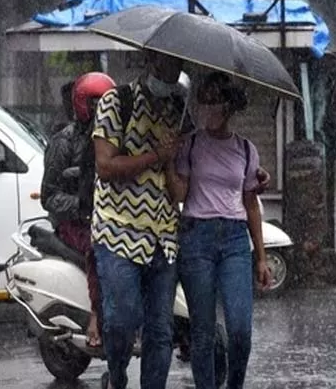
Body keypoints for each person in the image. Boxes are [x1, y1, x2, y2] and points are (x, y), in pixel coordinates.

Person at [91, 52, 272, 389]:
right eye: (166, 64)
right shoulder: (117, 101)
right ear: (150, 61)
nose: (172, 72)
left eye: (178, 66)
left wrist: (253, 176)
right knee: (124, 319)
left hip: (165, 236)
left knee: (162, 333)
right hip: (119, 230)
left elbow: (190, 180)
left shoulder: (179, 113)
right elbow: (104, 166)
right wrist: (157, 157)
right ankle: (116, 376)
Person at [167, 72, 272, 389]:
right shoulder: (192, 144)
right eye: (204, 101)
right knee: (203, 331)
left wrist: (262, 258)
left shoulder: (245, 149)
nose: (207, 108)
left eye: (215, 102)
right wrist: (168, 160)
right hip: (196, 238)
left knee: (240, 329)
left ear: (228, 107)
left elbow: (251, 203)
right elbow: (179, 194)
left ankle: (235, 384)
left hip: (236, 241)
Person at [40, 71, 116, 348]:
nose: (101, 110)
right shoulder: (64, 142)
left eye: (107, 102)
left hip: (110, 214)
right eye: (95, 103)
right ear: (83, 104)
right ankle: (96, 314)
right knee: (101, 247)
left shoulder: (115, 139)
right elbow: (49, 196)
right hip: (75, 222)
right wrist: (83, 205)